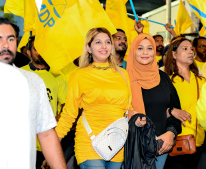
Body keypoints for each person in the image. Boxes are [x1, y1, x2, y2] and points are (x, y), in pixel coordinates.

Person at [55, 27, 132, 169]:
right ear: (88, 48)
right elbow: (69, 114)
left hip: (117, 143)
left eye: (108, 42)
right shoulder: (78, 76)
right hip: (89, 143)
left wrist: (138, 118)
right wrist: (52, 145)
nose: (104, 46)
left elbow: (129, 108)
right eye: (98, 42)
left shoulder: (123, 74)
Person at [0, 17, 66, 169]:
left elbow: (47, 134)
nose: (5, 44)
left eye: (10, 39)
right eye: (0, 38)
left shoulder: (33, 81)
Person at [126, 33, 182, 169]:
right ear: (133, 50)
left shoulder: (163, 78)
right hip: (131, 146)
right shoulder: (122, 77)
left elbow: (176, 112)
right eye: (140, 48)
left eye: (150, 48)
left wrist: (171, 133)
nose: (145, 52)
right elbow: (113, 110)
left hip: (160, 146)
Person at [21, 35, 68, 167]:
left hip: (49, 142)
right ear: (29, 52)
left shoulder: (58, 76)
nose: (40, 52)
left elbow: (66, 106)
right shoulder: (19, 73)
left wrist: (54, 122)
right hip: (24, 143)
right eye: (36, 48)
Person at [164, 37, 206, 169]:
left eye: (191, 49)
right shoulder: (167, 80)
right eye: (185, 49)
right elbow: (155, 109)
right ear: (174, 54)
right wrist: (172, 111)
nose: (190, 52)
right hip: (177, 142)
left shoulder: (201, 81)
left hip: (201, 142)